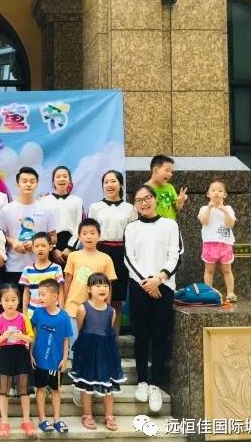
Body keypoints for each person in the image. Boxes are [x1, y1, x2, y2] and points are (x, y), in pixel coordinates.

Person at [124, 185, 182, 413]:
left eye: (147, 198)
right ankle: (142, 381)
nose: (144, 203)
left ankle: (156, 384)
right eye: (139, 200)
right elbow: (128, 258)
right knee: (141, 335)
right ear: (135, 205)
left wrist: (159, 279)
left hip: (164, 286)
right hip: (139, 286)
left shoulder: (170, 225)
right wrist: (146, 282)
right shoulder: (131, 228)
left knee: (159, 336)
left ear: (155, 199)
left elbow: (175, 255)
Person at [69, 273, 125, 431]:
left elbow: (108, 330)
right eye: (98, 285)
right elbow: (80, 329)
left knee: (108, 385)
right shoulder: (83, 308)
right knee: (86, 383)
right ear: (89, 289)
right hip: (88, 351)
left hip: (106, 352)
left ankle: (109, 415)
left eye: (105, 285)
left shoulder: (111, 311)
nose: (102, 289)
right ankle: (87, 414)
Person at [88, 170, 137, 331]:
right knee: (98, 292)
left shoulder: (130, 208)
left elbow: (134, 233)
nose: (110, 185)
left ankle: (113, 337)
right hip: (100, 251)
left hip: (121, 253)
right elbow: (90, 232)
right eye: (106, 182)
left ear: (121, 184)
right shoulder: (95, 207)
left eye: (113, 181)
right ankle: (97, 333)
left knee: (116, 297)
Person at [0, 167, 57, 286]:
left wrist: (37, 244)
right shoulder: (7, 210)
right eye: (24, 181)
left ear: (37, 184)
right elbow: (0, 236)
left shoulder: (46, 210)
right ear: (17, 184)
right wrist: (13, 241)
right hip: (13, 267)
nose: (28, 184)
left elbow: (54, 238)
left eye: (32, 181)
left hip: (40, 267)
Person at [0, 283, 36, 439]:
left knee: (24, 389)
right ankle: (4, 421)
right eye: (6, 300)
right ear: (0, 301)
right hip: (4, 354)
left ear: (18, 300)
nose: (10, 303)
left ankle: (26, 421)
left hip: (21, 354)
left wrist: (22, 337)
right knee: (3, 389)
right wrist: (3, 337)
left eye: (13, 300)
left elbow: (31, 338)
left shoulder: (23, 318)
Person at [30, 279, 72, 434]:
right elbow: (33, 335)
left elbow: (66, 339)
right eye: (39, 294)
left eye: (43, 294)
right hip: (39, 360)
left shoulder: (64, 316)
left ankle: (57, 419)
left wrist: (65, 358)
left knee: (56, 390)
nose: (40, 297)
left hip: (56, 362)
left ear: (55, 296)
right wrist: (30, 353)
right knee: (40, 389)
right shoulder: (38, 313)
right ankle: (42, 419)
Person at [198, 180, 237, 302]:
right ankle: (208, 292)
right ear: (208, 194)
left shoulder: (228, 208)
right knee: (209, 270)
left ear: (225, 195)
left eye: (220, 191)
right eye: (213, 190)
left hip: (225, 244)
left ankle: (230, 293)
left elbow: (230, 224)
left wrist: (224, 210)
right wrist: (210, 208)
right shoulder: (204, 208)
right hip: (209, 244)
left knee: (227, 270)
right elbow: (204, 221)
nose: (216, 193)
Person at [40, 166, 83, 264]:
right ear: (53, 181)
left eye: (65, 176)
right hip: (50, 244)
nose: (61, 179)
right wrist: (52, 248)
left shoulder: (77, 201)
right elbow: (42, 226)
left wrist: (70, 247)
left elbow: (79, 225)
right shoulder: (44, 201)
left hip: (71, 244)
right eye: (58, 176)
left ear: (70, 180)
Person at [20, 232, 64, 317]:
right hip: (33, 314)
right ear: (33, 248)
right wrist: (25, 314)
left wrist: (61, 312)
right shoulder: (27, 270)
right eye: (37, 246)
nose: (40, 249)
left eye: (43, 246)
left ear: (50, 247)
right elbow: (26, 292)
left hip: (52, 313)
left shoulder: (56, 268)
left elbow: (61, 291)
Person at [146, 155, 187, 219]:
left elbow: (177, 208)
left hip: (170, 224)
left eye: (171, 172)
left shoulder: (170, 187)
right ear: (155, 170)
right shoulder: (144, 189)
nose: (170, 174)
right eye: (167, 170)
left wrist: (180, 202)